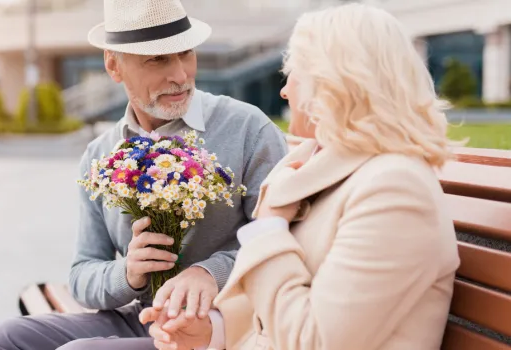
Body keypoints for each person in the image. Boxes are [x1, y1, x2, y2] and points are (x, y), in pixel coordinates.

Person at [140, 3, 461, 350]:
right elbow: (277, 303)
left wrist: (268, 228)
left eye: (294, 73)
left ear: (335, 83)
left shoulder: (395, 191)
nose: (285, 90)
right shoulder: (316, 167)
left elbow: (315, 341)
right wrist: (212, 330)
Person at [0, 0, 289, 349]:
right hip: (142, 316)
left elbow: (284, 242)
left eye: (185, 53)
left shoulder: (248, 128)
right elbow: (82, 275)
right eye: (157, 59)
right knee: (6, 337)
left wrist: (210, 272)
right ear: (114, 66)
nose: (180, 74)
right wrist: (128, 272)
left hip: (224, 323)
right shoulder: (99, 154)